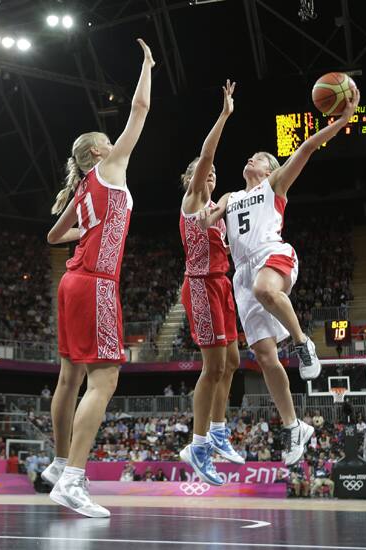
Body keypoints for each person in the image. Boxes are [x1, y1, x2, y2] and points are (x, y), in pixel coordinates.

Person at [198, 85, 361, 466]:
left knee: (265, 288)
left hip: (272, 254)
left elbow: (305, 148)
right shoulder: (230, 197)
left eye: (257, 156)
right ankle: (294, 426)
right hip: (241, 274)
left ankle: (304, 343)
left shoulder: (275, 186)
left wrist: (341, 121)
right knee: (267, 359)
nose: (250, 157)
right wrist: (203, 210)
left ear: (269, 168)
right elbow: (206, 218)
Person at [40, 38, 154, 518]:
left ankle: (59, 462)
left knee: (70, 378)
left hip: (71, 283)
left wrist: (87, 231)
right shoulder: (109, 168)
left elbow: (52, 236)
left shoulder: (82, 188)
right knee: (105, 380)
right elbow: (141, 108)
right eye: (107, 141)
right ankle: (72, 479)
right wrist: (147, 65)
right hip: (97, 282)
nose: (116, 142)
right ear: (97, 152)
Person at [177, 79, 244, 486]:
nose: (211, 172)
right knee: (214, 365)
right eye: (205, 171)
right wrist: (224, 115)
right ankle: (198, 443)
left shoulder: (216, 209)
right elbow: (206, 154)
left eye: (214, 172)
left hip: (223, 285)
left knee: (234, 362)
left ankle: (218, 430)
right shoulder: (192, 202)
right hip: (200, 285)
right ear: (193, 178)